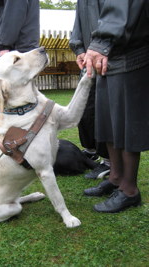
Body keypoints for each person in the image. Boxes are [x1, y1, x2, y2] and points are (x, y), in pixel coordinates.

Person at [81, 0, 149, 213]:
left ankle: (129, 190)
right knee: (108, 122)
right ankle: (116, 177)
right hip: (106, 57)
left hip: (130, 53)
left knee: (124, 124)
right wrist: (80, 45)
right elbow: (84, 11)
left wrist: (102, 41)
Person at [69, 0, 110, 179]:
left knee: (103, 111)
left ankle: (108, 161)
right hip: (88, 58)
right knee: (85, 109)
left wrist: (100, 46)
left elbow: (112, 20)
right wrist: (79, 49)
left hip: (107, 57)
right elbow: (78, 24)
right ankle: (90, 149)